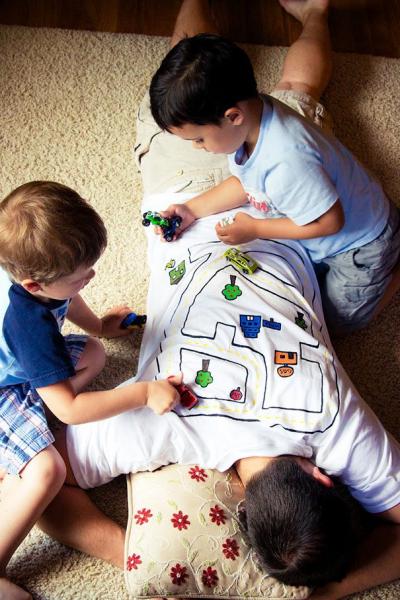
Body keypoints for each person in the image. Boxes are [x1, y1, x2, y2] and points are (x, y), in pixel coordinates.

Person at [33, 2, 400, 598]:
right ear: (237, 502)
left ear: (324, 479)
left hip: (227, 206)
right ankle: (311, 16)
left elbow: (36, 473)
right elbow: (40, 481)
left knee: (281, 89)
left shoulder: (334, 424)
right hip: (222, 201)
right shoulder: (164, 427)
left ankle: (314, 15)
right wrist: (126, 553)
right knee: (210, 90)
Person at [149, 0, 400, 337]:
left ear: (233, 116)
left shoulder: (286, 160)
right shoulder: (253, 118)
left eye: (199, 139)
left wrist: (256, 228)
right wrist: (191, 209)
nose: (198, 147)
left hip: (360, 245)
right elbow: (247, 183)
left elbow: (330, 222)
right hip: (342, 211)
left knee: (338, 322)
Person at [0, 181, 181, 600]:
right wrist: (143, 393)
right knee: (48, 470)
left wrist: (99, 325)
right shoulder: (29, 326)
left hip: (19, 367)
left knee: (95, 354)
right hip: (5, 390)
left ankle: (21, 437)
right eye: (80, 276)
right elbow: (70, 411)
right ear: (33, 285)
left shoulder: (39, 283)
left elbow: (66, 300)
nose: (91, 277)